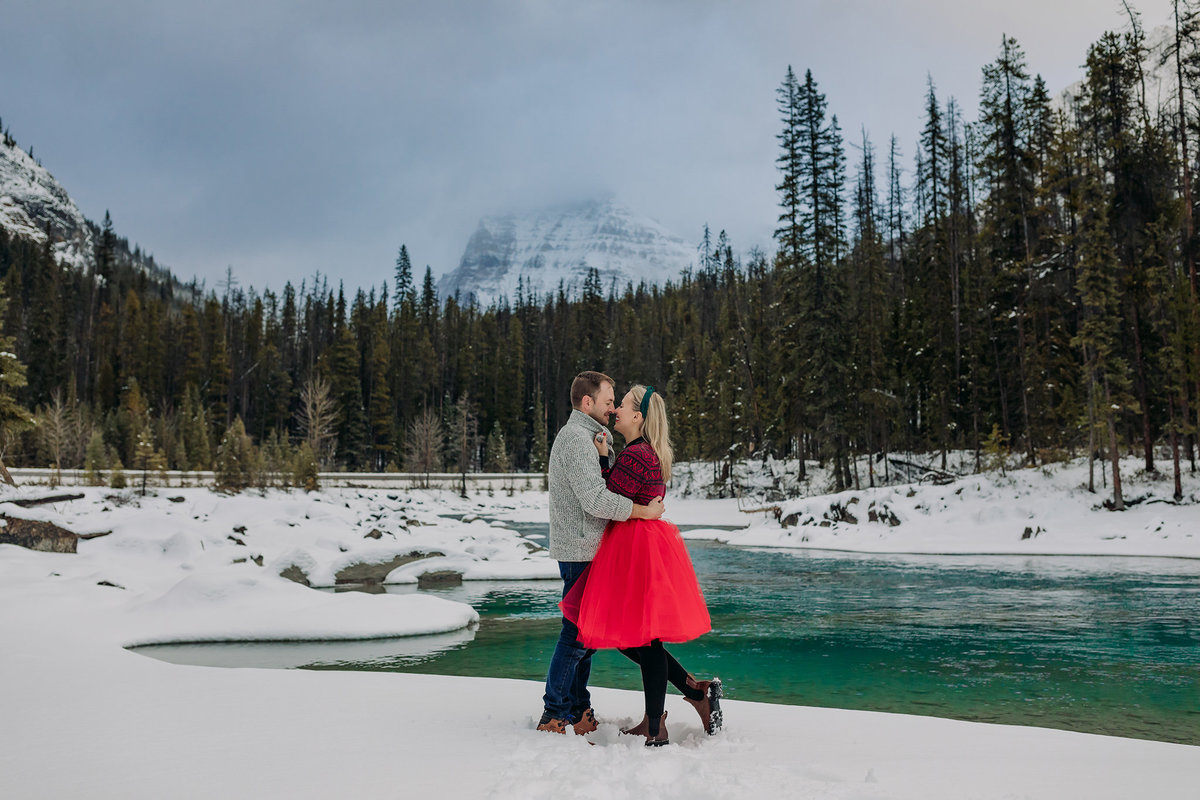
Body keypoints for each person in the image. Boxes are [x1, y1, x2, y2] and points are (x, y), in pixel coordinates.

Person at [561, 384, 722, 746]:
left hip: (632, 550)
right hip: (642, 548)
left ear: (638, 416)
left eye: (623, 405)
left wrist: (603, 460)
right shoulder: (642, 452)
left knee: (641, 639)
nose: (615, 409)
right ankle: (693, 694)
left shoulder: (637, 456)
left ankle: (658, 723)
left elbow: (606, 499)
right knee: (637, 637)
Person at [537, 371, 665, 736]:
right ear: (587, 402)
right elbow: (595, 500)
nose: (612, 409)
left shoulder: (589, 438)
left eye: (616, 403)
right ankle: (554, 714)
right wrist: (643, 512)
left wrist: (606, 453)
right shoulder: (576, 439)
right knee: (577, 634)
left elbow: (600, 488)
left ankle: (578, 710)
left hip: (589, 547)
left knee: (587, 637)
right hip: (580, 548)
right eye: (609, 401)